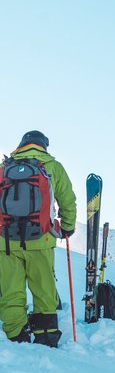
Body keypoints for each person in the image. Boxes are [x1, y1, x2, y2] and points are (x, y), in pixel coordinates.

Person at [0, 131, 77, 346]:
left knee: (11, 289)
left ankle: (15, 334)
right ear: (44, 146)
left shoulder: (5, 169)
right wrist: (67, 228)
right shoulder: (52, 166)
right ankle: (46, 334)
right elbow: (68, 200)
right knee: (43, 287)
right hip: (41, 239)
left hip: (6, 241)